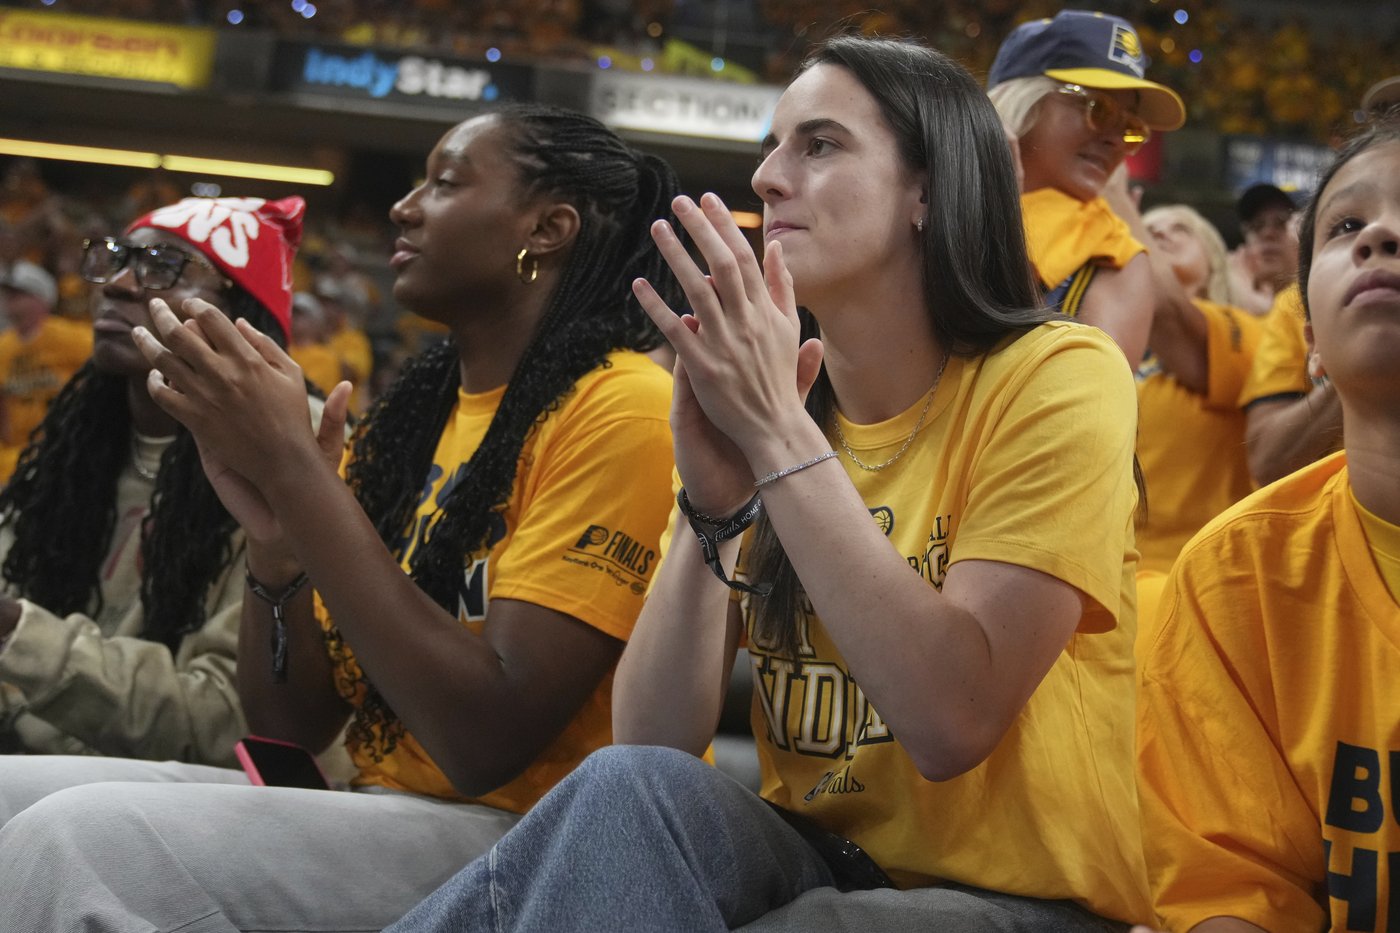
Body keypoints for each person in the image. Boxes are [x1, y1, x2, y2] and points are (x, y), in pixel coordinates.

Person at [392, 35, 1147, 933]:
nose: (767, 180)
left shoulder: (1059, 372)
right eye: (771, 145)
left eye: (819, 145)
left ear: (929, 190)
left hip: (1016, 898)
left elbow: (953, 720)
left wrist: (780, 440)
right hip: (813, 861)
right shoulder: (788, 407)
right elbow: (648, 749)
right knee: (629, 797)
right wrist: (709, 510)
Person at [0, 104, 680, 932]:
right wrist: (276, 551)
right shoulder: (413, 415)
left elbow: (483, 741)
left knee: (78, 839)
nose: (403, 205)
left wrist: (297, 479)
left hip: (540, 841)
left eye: (446, 181)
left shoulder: (626, 409)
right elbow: (288, 723)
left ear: (548, 226)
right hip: (378, 799)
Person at [1134, 112, 1400, 933]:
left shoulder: (1209, 340)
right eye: (1349, 224)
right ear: (1310, 339)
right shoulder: (1234, 580)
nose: (1382, 236)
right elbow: (1233, 899)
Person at [0, 196, 305, 763]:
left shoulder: (295, 458)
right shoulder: (77, 446)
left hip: (202, 804)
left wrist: (17, 634)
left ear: (242, 315)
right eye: (115, 259)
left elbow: (225, 721)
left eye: (162, 266)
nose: (115, 285)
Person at [988, 9, 1185, 365]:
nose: (1115, 141)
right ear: (1022, 101)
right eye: (1099, 109)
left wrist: (1000, 231)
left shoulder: (1117, 258)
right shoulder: (925, 198)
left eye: (1130, 128)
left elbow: (1084, 404)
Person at [1134, 204, 1261, 575]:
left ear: (1213, 262)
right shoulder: (1113, 348)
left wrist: (1112, 195)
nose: (1160, 233)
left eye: (1181, 228)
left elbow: (1164, 310)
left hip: (1198, 574)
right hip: (1109, 579)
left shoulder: (1246, 332)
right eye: (1150, 228)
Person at [0, 259, 92, 482]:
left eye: (20, 295)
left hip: (64, 448)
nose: (11, 302)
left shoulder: (75, 337)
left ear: (41, 298)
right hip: (14, 455)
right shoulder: (4, 347)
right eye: (8, 295)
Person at [1227, 183, 1298, 316]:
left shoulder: (1319, 307)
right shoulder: (1222, 306)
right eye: (1257, 225)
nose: (1268, 233)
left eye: (1281, 222)